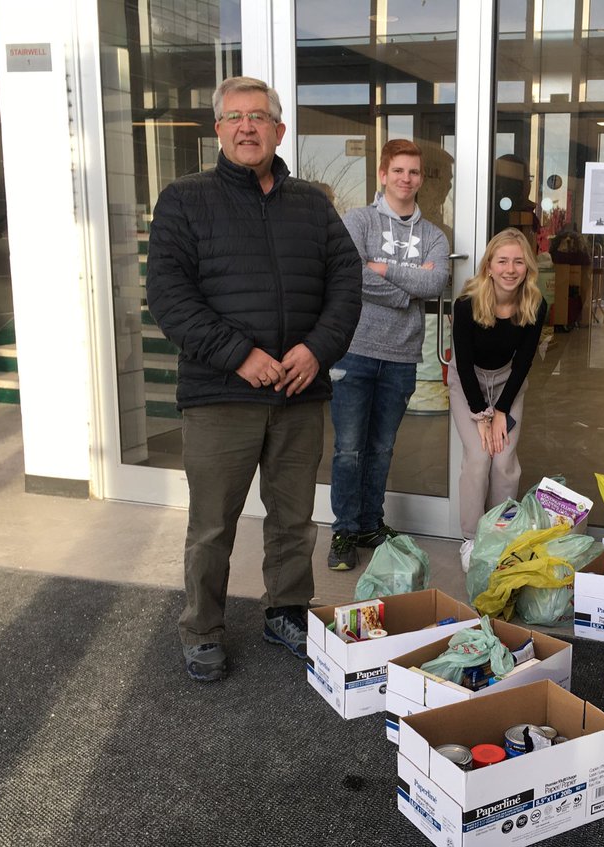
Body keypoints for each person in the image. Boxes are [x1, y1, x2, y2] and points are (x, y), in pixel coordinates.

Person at [146, 76, 361, 682]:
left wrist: (317, 350)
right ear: (218, 130)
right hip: (221, 396)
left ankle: (287, 611)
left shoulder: (313, 205)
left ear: (279, 131)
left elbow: (346, 284)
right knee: (212, 524)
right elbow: (168, 295)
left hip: (298, 391)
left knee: (294, 518)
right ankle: (202, 627)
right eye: (235, 117)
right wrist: (240, 355)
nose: (247, 127)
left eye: (259, 117)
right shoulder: (185, 200)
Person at [327, 140, 451, 571]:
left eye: (413, 172)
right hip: (354, 352)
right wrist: (406, 290)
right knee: (347, 448)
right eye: (398, 170)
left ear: (420, 179)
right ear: (383, 174)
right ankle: (343, 531)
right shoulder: (358, 220)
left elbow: (436, 287)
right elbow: (349, 273)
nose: (406, 179)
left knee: (380, 448)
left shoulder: (434, 235)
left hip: (401, 356)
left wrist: (382, 269)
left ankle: (369, 524)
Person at [448, 228, 546, 571]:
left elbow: (523, 363)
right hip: (468, 383)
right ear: (489, 265)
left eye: (518, 262)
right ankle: (471, 538)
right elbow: (461, 361)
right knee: (478, 456)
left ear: (527, 267)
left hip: (508, 383)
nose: (510, 269)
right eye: (502, 260)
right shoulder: (467, 303)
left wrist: (502, 409)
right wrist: (483, 416)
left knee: (503, 460)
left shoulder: (534, 303)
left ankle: (498, 535)